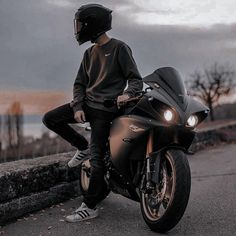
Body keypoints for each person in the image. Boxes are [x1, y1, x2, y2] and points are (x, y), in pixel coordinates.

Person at [42, 3, 143, 222]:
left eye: (80, 24)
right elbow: (79, 84)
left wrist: (127, 94)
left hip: (105, 112)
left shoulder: (120, 48)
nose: (77, 29)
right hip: (87, 104)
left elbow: (136, 79)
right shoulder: (89, 53)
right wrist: (77, 107)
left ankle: (89, 206)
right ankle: (82, 147)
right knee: (50, 119)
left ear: (92, 25)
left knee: (98, 161)